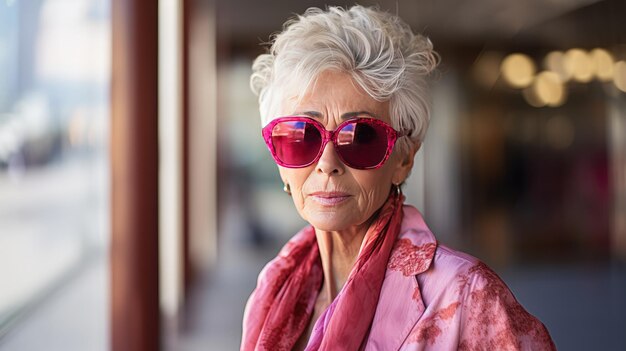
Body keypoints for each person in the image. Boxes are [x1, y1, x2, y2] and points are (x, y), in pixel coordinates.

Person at [241, 5, 555, 351]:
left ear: (404, 158)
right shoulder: (273, 290)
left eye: (361, 137)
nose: (327, 163)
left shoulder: (468, 296)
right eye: (302, 137)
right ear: (277, 155)